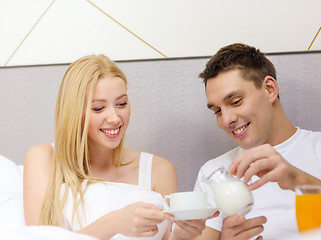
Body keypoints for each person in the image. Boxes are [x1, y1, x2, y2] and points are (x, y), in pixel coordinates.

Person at [23, 54, 214, 240]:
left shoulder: (159, 170)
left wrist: (181, 235)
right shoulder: (44, 159)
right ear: (73, 113)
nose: (114, 118)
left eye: (121, 103)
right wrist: (113, 223)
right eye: (98, 108)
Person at [193, 43, 321, 239]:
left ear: (269, 89)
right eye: (218, 111)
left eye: (235, 101)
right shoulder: (214, 172)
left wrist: (296, 179)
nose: (227, 120)